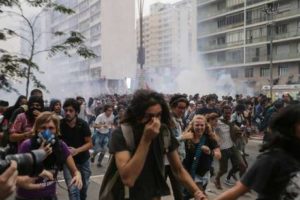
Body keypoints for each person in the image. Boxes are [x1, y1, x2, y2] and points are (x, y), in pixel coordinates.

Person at [108, 90, 207, 200]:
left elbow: (178, 169)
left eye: (158, 115)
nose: (154, 121)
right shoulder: (122, 133)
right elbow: (128, 179)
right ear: (137, 114)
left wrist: (197, 192)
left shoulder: (164, 132)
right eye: (149, 116)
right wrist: (146, 140)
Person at [216, 105, 300, 200]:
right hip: (223, 147)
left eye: (229, 112)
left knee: (243, 165)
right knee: (224, 169)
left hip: (233, 146)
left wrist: (243, 130)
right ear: (290, 128)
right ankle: (220, 179)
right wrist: (216, 146)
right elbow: (236, 191)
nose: (228, 114)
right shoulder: (272, 159)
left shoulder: (233, 120)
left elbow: (238, 128)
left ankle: (243, 180)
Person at [16, 112, 82, 200]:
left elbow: (75, 171)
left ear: (56, 130)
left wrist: (78, 176)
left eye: (51, 128)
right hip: (26, 197)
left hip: (49, 196)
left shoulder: (60, 146)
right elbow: (16, 176)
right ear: (37, 129)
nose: (47, 132)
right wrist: (37, 160)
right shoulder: (27, 145)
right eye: (43, 128)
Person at [60, 98, 92, 200]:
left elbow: (90, 144)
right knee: (73, 190)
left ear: (77, 112)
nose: (67, 113)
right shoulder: (60, 124)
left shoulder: (83, 124)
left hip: (84, 161)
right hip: (68, 162)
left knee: (84, 188)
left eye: (71, 110)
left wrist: (76, 150)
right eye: (66, 110)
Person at [183, 115, 221, 198]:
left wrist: (210, 152)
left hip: (203, 175)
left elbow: (218, 155)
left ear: (205, 126)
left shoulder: (210, 138)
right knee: (199, 195)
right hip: (188, 174)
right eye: (197, 125)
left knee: (195, 195)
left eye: (202, 125)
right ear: (192, 126)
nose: (199, 127)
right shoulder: (187, 138)